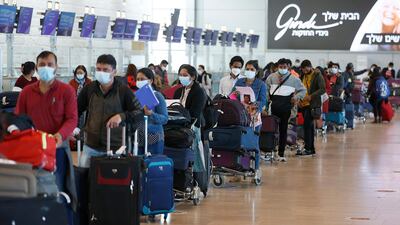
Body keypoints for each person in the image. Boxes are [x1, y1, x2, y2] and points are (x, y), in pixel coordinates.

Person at [15, 50, 78, 210]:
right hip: (32, 151)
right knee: (32, 193)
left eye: (50, 64)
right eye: (42, 64)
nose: (46, 67)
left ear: (56, 67)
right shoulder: (27, 92)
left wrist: (60, 135)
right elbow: (19, 119)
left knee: (58, 193)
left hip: (58, 150)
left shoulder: (66, 91)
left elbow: (72, 119)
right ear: (36, 67)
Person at [77, 54, 143, 167]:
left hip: (117, 147)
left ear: (114, 71)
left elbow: (139, 112)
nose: (101, 72)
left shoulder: (123, 91)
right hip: (90, 146)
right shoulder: (89, 89)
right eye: (98, 69)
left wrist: (121, 116)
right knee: (85, 179)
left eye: (105, 70)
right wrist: (75, 127)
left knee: (114, 182)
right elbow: (76, 109)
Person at [173, 64, 207, 189]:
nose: (182, 77)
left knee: (194, 156)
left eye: (185, 75)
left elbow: (195, 113)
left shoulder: (199, 92)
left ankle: (196, 183)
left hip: (193, 126)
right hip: (179, 126)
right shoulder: (178, 91)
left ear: (192, 76)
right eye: (180, 75)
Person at [266, 58, 306, 162]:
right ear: (277, 67)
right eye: (280, 67)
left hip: (286, 107)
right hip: (274, 107)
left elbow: (303, 90)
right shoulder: (271, 77)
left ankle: (281, 153)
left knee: (283, 130)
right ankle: (272, 150)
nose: (282, 69)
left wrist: (296, 98)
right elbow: (265, 88)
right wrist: (267, 97)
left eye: (284, 67)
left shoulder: (294, 79)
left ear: (288, 67)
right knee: (272, 130)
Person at [136, 68, 168, 155]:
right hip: (138, 138)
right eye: (138, 79)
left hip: (154, 138)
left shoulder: (157, 96)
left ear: (150, 81)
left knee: (152, 165)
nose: (139, 81)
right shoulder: (136, 95)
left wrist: (151, 114)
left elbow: (165, 119)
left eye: (142, 79)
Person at [298, 60, 326, 156]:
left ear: (310, 67)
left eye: (306, 68)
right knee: (307, 127)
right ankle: (310, 149)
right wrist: (299, 101)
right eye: (303, 69)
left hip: (312, 105)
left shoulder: (317, 75)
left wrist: (311, 96)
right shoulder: (302, 76)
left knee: (308, 127)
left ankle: (308, 149)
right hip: (303, 104)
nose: (305, 70)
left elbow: (323, 89)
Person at [233, 60, 267, 126]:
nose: (249, 71)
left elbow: (263, 101)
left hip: (254, 114)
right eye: (247, 69)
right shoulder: (239, 81)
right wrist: (235, 94)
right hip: (240, 113)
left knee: (252, 134)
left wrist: (253, 107)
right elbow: (232, 95)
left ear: (256, 72)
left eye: (252, 69)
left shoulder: (261, 84)